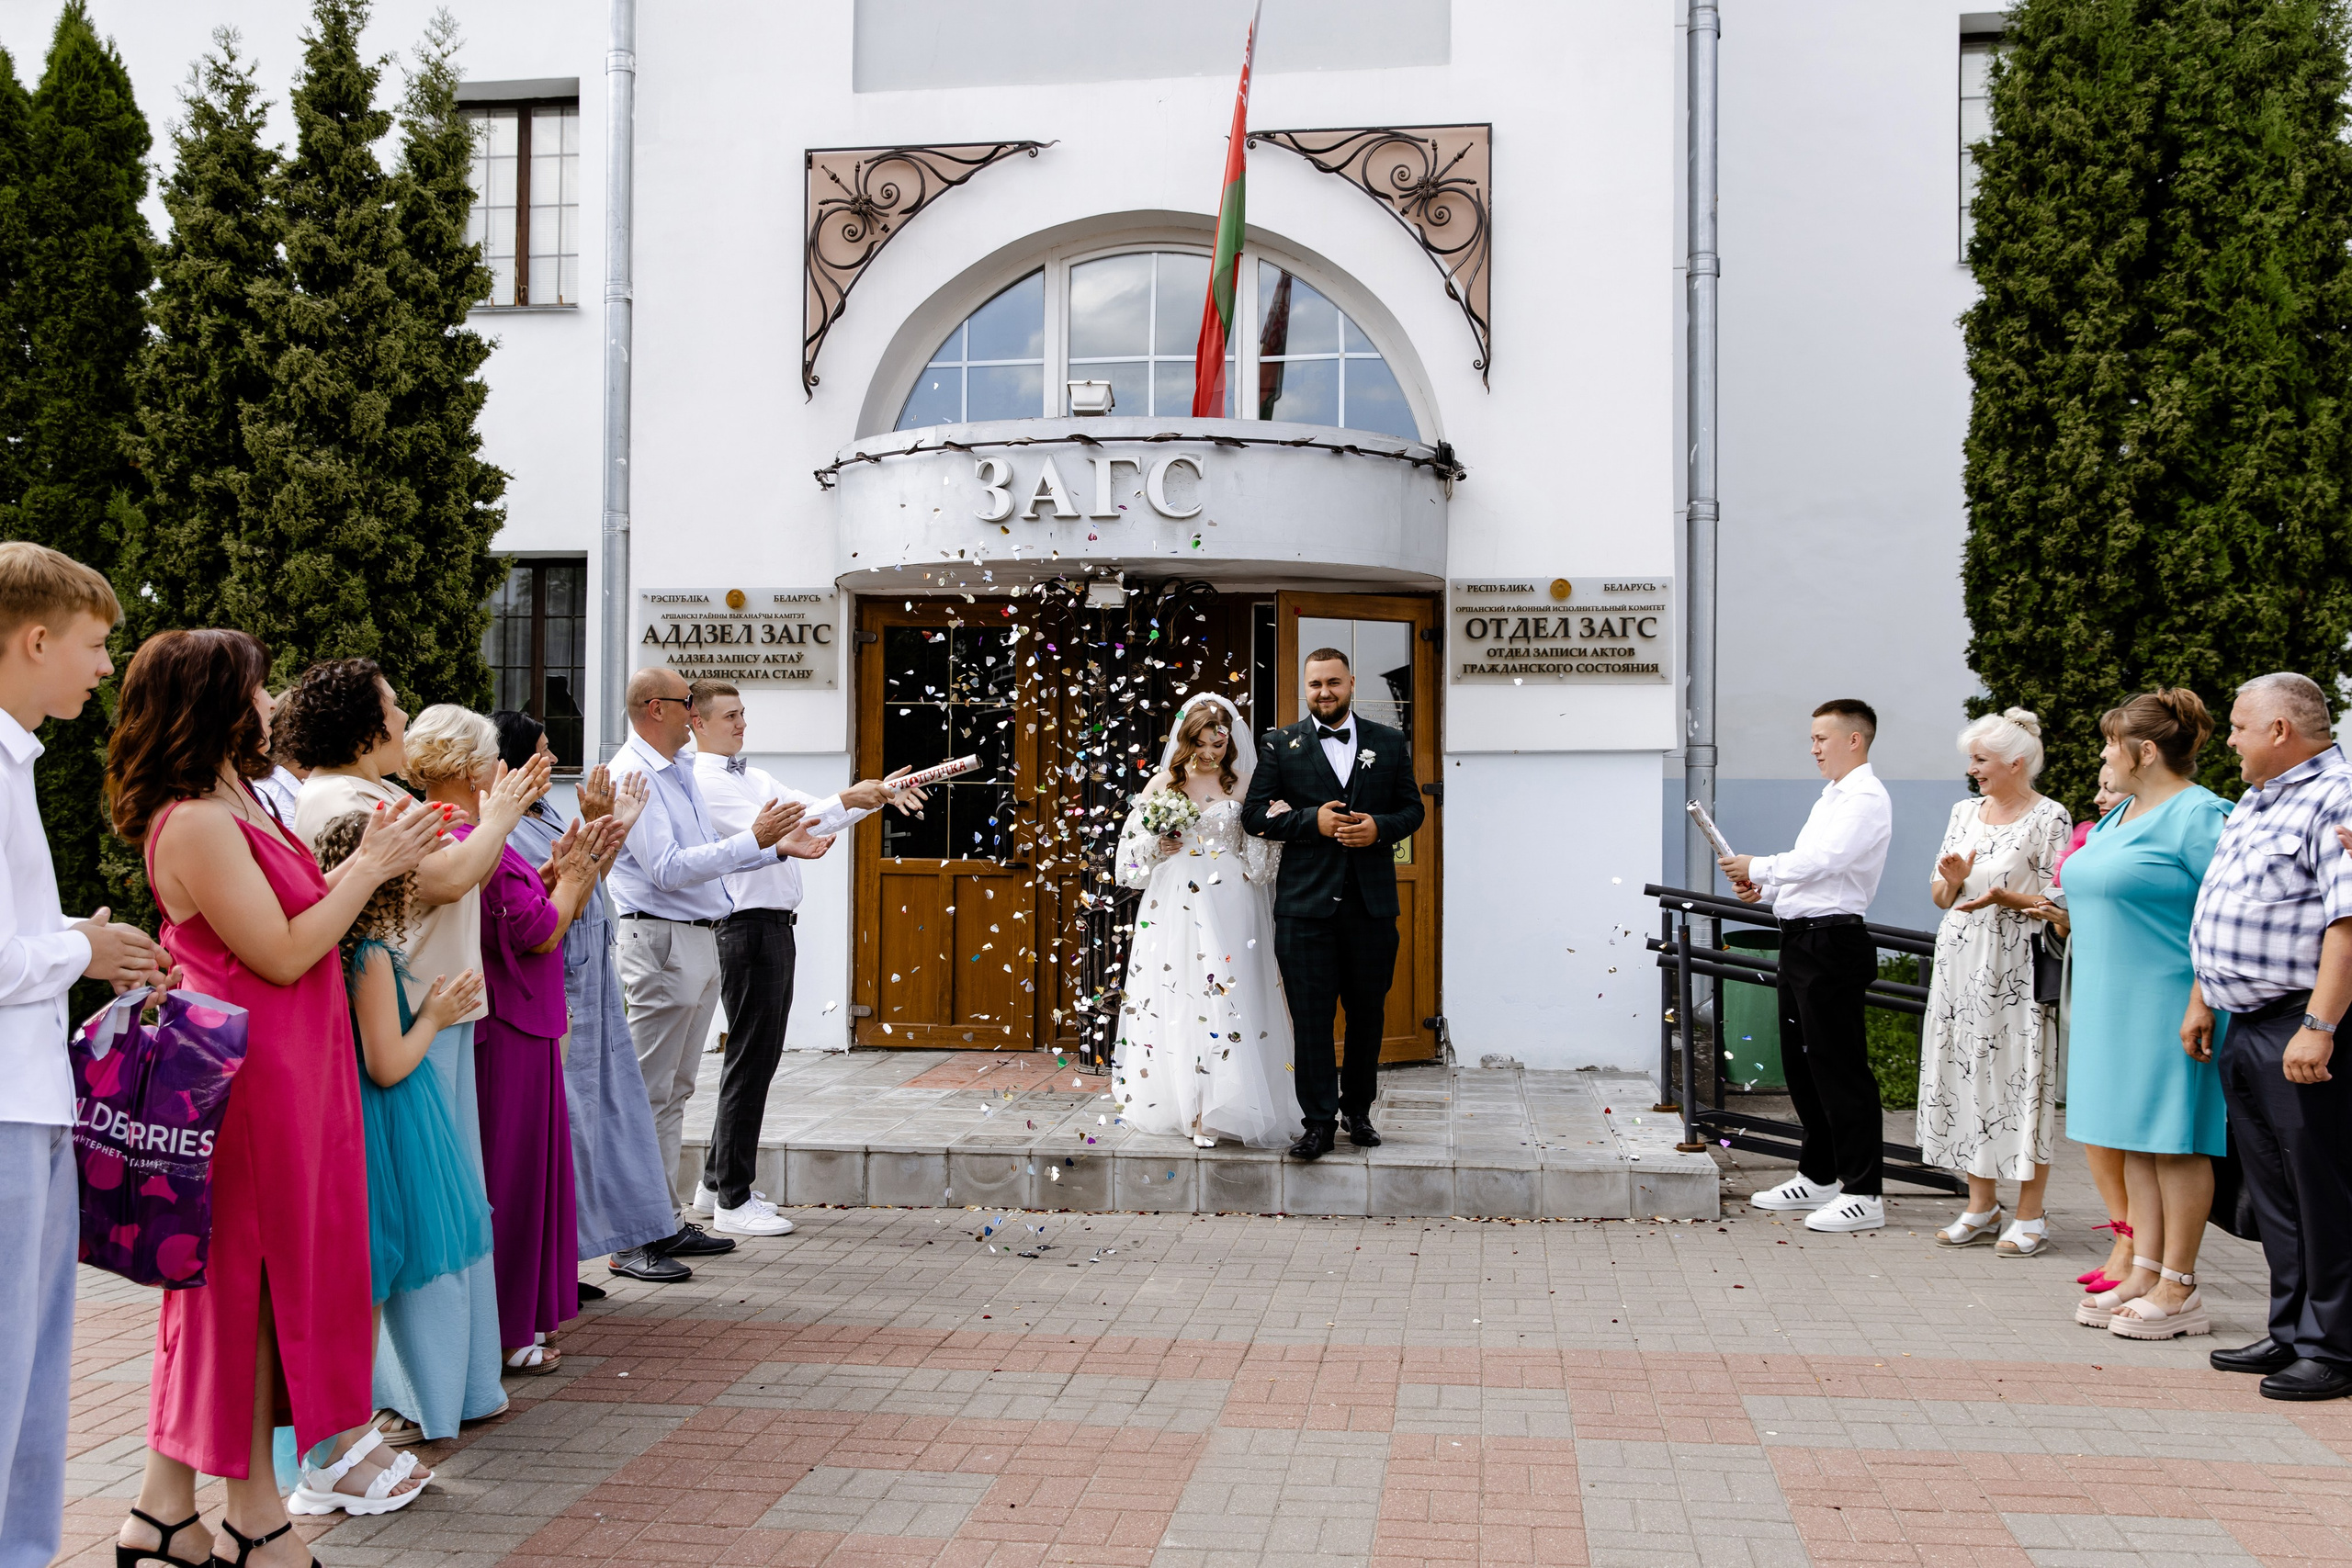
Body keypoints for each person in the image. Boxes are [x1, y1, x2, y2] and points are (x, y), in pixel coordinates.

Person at [107, 629, 444, 1568]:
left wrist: (369, 862)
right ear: (217, 701)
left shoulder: (241, 800)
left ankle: (164, 1512)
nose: (271, 703)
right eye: (258, 688)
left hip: (292, 1069)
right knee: (244, 1294)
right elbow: (285, 951)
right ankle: (250, 1519)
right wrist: (370, 867)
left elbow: (291, 920)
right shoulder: (197, 820)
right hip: (250, 1082)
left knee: (245, 1292)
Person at [284, 659, 548, 1443]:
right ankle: (421, 1394)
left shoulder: (371, 793)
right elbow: (447, 878)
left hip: (436, 1005)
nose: (403, 718)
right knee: (422, 1208)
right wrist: (500, 815)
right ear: (361, 723)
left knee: (455, 1201)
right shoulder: (342, 800)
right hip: (402, 1012)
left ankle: (464, 1384)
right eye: (393, 706)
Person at [0, 544, 167, 1568]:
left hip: (30, 1100)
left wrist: (72, 938)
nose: (106, 667)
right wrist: (80, 953)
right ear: (34, 639)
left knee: (33, 1366)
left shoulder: (14, 757)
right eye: (96, 644)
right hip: (7, 1107)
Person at [286, 812, 493, 1517]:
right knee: (368, 1286)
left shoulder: (327, 943)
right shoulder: (368, 953)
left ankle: (348, 1437)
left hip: (343, 1121)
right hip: (375, 1127)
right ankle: (339, 1445)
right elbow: (387, 1061)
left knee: (359, 1284)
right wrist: (433, 1013)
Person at [412, 706, 614, 1371]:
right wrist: (577, 878)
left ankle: (519, 1318)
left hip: (517, 1019)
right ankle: (507, 1328)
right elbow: (538, 932)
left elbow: (518, 909)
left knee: (525, 1174)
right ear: (474, 766)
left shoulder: (466, 833)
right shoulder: (467, 834)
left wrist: (557, 876)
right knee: (514, 1177)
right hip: (509, 1027)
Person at [686, 680, 921, 1233]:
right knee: (751, 1058)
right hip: (745, 928)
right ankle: (732, 1202)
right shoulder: (703, 781)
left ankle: (715, 1183)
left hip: (771, 926)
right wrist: (851, 796)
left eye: (743, 713)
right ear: (697, 723)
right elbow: (783, 828)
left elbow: (816, 815)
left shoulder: (755, 777)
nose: (741, 724)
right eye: (729, 716)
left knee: (755, 1057)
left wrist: (875, 796)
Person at [605, 666, 804, 1261]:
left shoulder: (680, 770)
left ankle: (662, 1219)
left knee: (675, 1090)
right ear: (655, 708)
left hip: (696, 936)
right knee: (648, 1092)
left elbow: (707, 855)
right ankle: (631, 1235)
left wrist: (768, 845)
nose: (695, 712)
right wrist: (757, 840)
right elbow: (667, 868)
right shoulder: (633, 772)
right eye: (685, 701)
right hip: (659, 939)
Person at [2190, 672, 2352, 1399]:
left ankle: (2334, 1346)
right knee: (2276, 1193)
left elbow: (2346, 924)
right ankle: (2290, 1329)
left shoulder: (2335, 796)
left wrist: (2319, 1026)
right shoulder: (2261, 796)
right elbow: (2224, 902)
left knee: (2322, 1192)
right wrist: (2204, 996)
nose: (2229, 740)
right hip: (2248, 1021)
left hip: (2301, 1021)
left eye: (2237, 726)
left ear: (2279, 730)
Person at [2045, 695, 2228, 1335]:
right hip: (2106, 1002)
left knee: (2175, 1142)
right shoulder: (2121, 811)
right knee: (2133, 1143)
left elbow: (2226, 912)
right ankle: (2145, 1270)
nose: (2102, 754)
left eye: (2109, 743)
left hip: (2168, 1002)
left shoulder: (2201, 814)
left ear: (2144, 751)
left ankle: (2181, 1287)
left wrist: (2203, 998)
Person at [494, 714, 685, 1290]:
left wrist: (607, 828)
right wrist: (601, 836)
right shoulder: (499, 828)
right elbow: (547, 900)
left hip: (591, 975)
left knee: (611, 1110)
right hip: (558, 981)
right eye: (543, 750)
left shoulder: (547, 812)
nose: (553, 760)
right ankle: (564, 1259)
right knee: (572, 1121)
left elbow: (589, 879)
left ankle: (623, 1239)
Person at [1240, 648, 1425, 1160]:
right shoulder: (1280, 744)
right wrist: (1310, 822)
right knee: (1312, 1019)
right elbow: (1253, 816)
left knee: (1367, 1014)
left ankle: (1358, 1112)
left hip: (1372, 906)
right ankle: (1318, 1123)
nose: (1324, 692)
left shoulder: (1389, 742)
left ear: (1351, 683)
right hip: (1304, 909)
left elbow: (1412, 809)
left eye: (1333, 682)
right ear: (1306, 688)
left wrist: (1379, 828)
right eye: (1315, 684)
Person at [1719, 699, 1894, 1233]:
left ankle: (1863, 1192)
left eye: (1822, 738)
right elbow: (1815, 873)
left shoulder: (1865, 797)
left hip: (1833, 943)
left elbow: (1827, 860)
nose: (1813, 748)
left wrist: (1759, 866)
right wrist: (1767, 888)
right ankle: (1819, 1175)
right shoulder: (1831, 797)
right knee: (1803, 1065)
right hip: (1801, 940)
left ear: (1854, 740)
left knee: (1839, 1068)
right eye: (1812, 738)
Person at [1114, 694, 1302, 1147]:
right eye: (1199, 744)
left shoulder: (1243, 784)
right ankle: (1193, 1104)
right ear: (1186, 740)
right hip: (1175, 900)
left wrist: (1274, 827)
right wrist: (1157, 846)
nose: (1208, 753)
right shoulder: (1164, 784)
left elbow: (1258, 863)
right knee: (1184, 994)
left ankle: (1227, 1103)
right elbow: (1128, 859)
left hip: (1232, 900)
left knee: (1232, 994)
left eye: (1217, 744)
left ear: (1228, 741)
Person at [1917, 709, 2071, 1256]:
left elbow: (2059, 903)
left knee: (2021, 1078)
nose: (1972, 769)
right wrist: (1954, 881)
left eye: (1980, 760)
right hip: (1960, 960)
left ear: (2015, 763)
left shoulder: (2050, 817)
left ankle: (2031, 1213)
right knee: (1966, 1074)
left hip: (2016, 964)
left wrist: (2008, 898)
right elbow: (1941, 895)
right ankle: (1981, 1205)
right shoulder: (1963, 812)